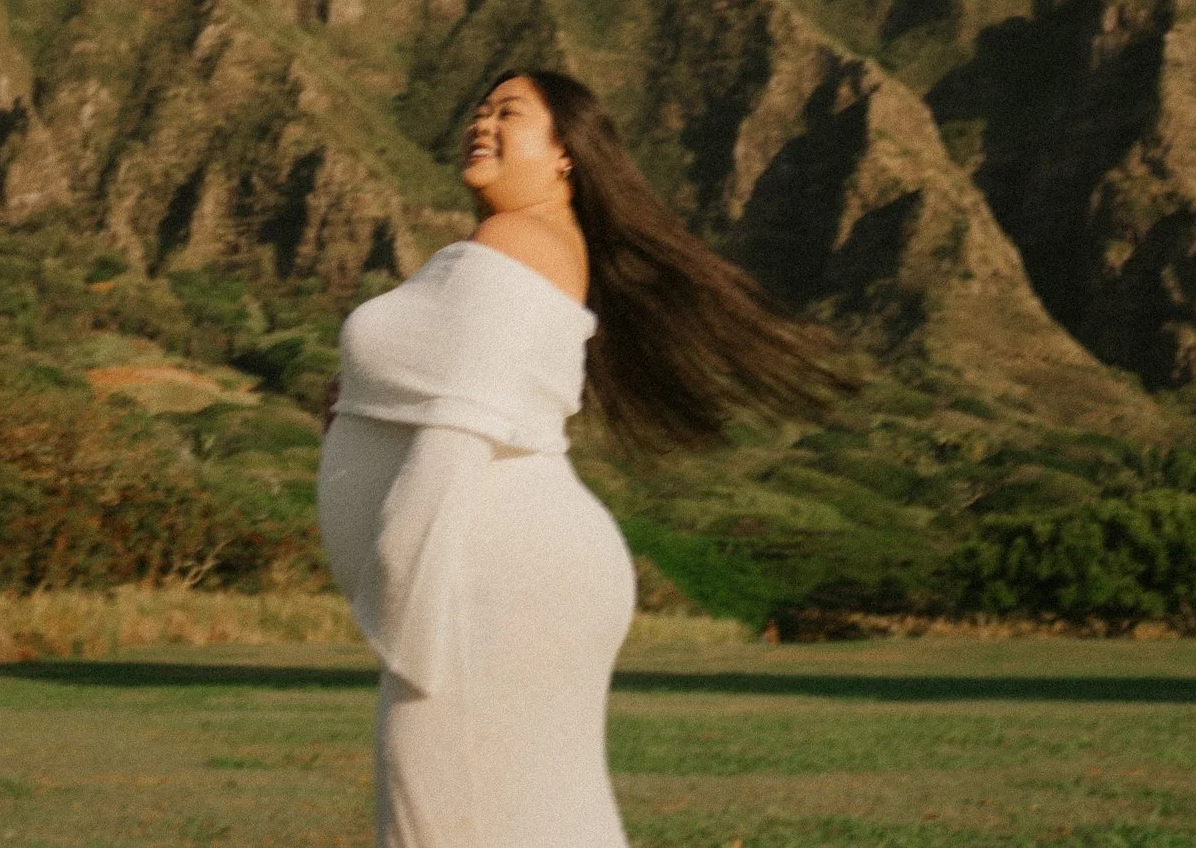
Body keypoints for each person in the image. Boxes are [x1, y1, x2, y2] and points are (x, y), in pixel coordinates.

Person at [316, 68, 843, 847]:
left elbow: (462, 422)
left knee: (446, 819)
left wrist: (402, 579)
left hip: (487, 569)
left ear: (566, 154)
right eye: (478, 106)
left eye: (509, 112)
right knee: (536, 817)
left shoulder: (516, 240)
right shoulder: (516, 247)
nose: (482, 121)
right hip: (515, 566)